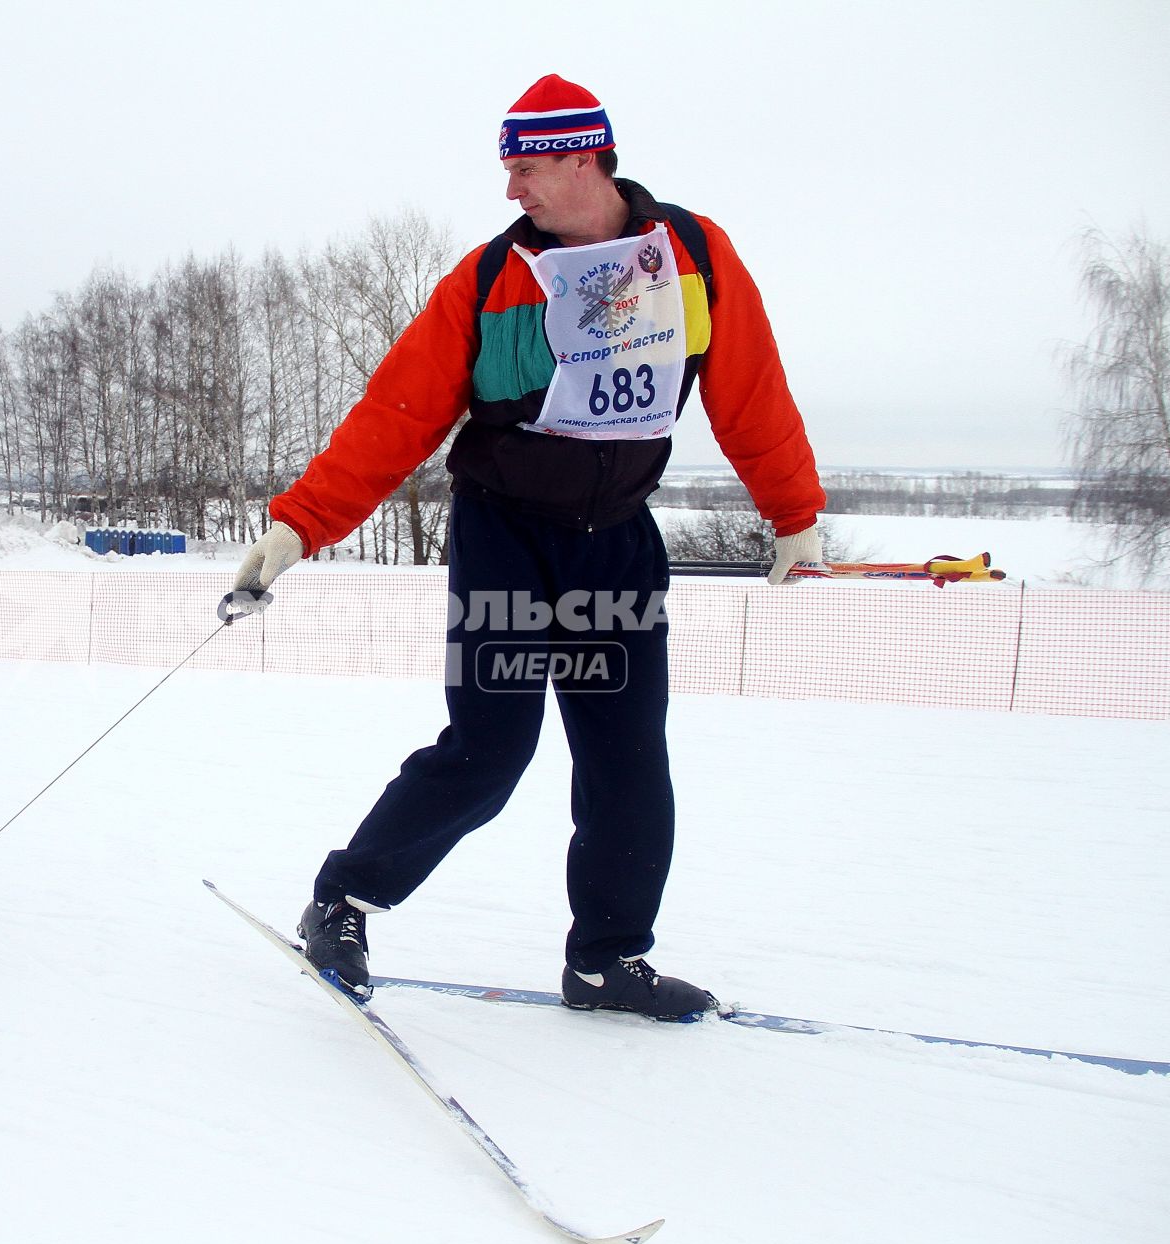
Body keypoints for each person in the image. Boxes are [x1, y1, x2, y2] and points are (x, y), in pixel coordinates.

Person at [230, 74, 826, 1019]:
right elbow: (397, 414)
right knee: (491, 748)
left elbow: (749, 390)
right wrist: (302, 522)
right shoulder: (488, 278)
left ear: (586, 155)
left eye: (527, 167)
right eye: (508, 169)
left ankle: (606, 962)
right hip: (508, 536)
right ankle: (341, 902)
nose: (513, 189)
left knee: (629, 759)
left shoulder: (694, 258)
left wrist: (792, 512)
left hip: (618, 544)